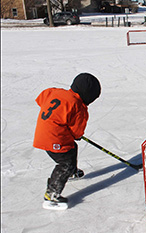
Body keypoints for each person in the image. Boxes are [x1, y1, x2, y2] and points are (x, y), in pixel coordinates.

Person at [33, 73, 101, 208]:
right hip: (54, 138)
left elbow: (41, 98)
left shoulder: (54, 92)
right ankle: (51, 194)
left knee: (72, 148)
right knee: (65, 163)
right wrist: (76, 135)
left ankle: (72, 172)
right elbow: (77, 132)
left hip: (43, 132)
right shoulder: (79, 107)